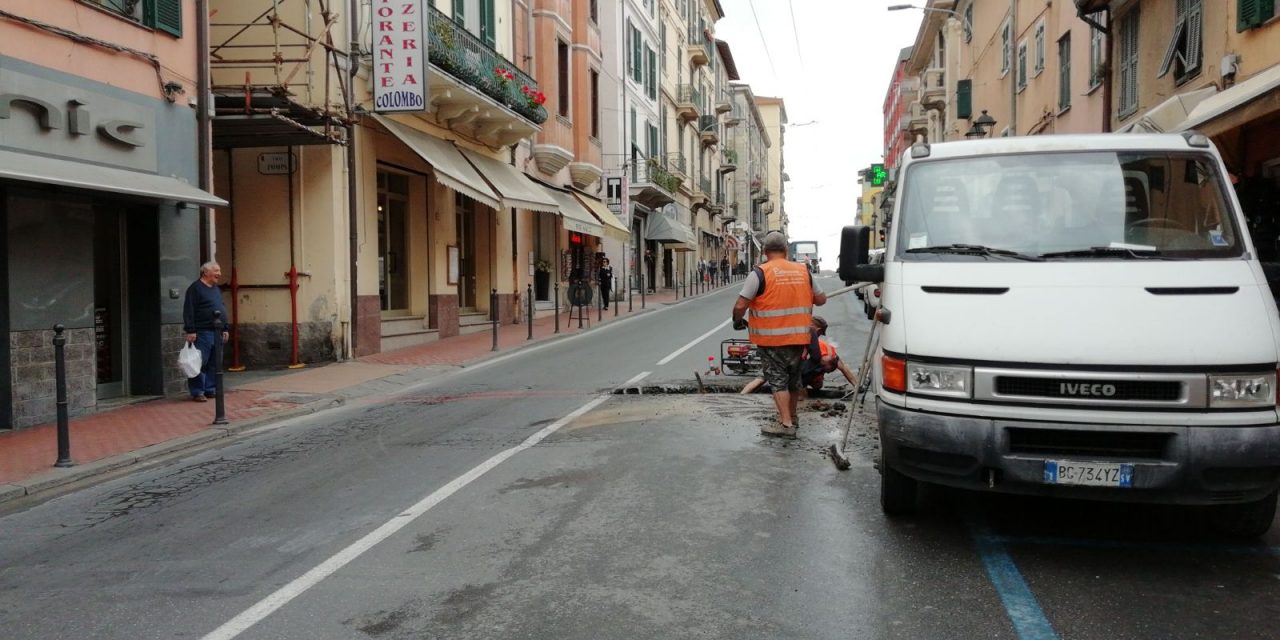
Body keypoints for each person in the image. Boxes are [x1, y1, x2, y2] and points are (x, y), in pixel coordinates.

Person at [732, 231, 827, 438]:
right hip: (800, 338)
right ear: (786, 250)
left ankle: (785, 425)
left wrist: (737, 320)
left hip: (772, 340)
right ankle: (793, 417)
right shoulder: (804, 271)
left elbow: (741, 305)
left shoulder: (759, 273)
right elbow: (821, 300)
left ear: (765, 252)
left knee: (777, 381)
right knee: (794, 381)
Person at [182, 261, 229, 402]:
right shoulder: (195, 289)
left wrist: (225, 327)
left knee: (215, 363)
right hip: (202, 332)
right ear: (205, 272)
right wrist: (191, 330)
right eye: (216, 271)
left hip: (217, 331)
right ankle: (198, 391)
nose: (219, 274)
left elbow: (221, 307)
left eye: (219, 271)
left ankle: (210, 389)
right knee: (200, 362)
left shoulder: (215, 289)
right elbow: (189, 310)